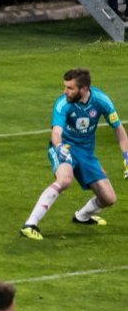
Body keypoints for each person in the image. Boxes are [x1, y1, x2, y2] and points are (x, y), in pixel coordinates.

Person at [20, 67, 128, 240]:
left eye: (70, 88)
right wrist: (59, 147)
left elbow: (119, 131)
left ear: (83, 89)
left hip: (86, 153)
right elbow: (56, 133)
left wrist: (126, 156)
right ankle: (30, 224)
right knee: (65, 180)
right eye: (65, 87)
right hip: (64, 147)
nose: (65, 91)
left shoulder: (101, 100)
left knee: (108, 198)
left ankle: (82, 216)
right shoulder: (63, 103)